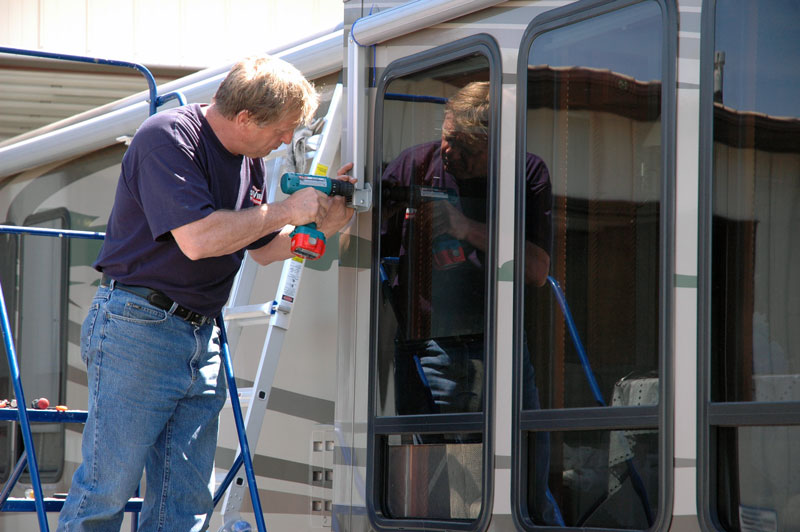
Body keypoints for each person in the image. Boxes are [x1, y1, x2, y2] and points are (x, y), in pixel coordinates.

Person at [57, 55, 354, 531]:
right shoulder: (169, 137)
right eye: (282, 130)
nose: (285, 141)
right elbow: (199, 240)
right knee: (106, 490)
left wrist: (321, 227)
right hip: (138, 327)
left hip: (199, 333)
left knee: (186, 500)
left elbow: (260, 248)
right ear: (243, 118)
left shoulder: (249, 163)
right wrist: (289, 209)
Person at [379, 81, 562, 524]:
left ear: (493, 146)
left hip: (497, 347)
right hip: (425, 348)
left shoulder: (525, 173)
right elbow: (363, 236)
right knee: (441, 493)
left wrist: (466, 227)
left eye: (463, 147)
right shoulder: (415, 165)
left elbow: (537, 269)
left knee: (522, 484)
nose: (448, 152)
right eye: (446, 135)